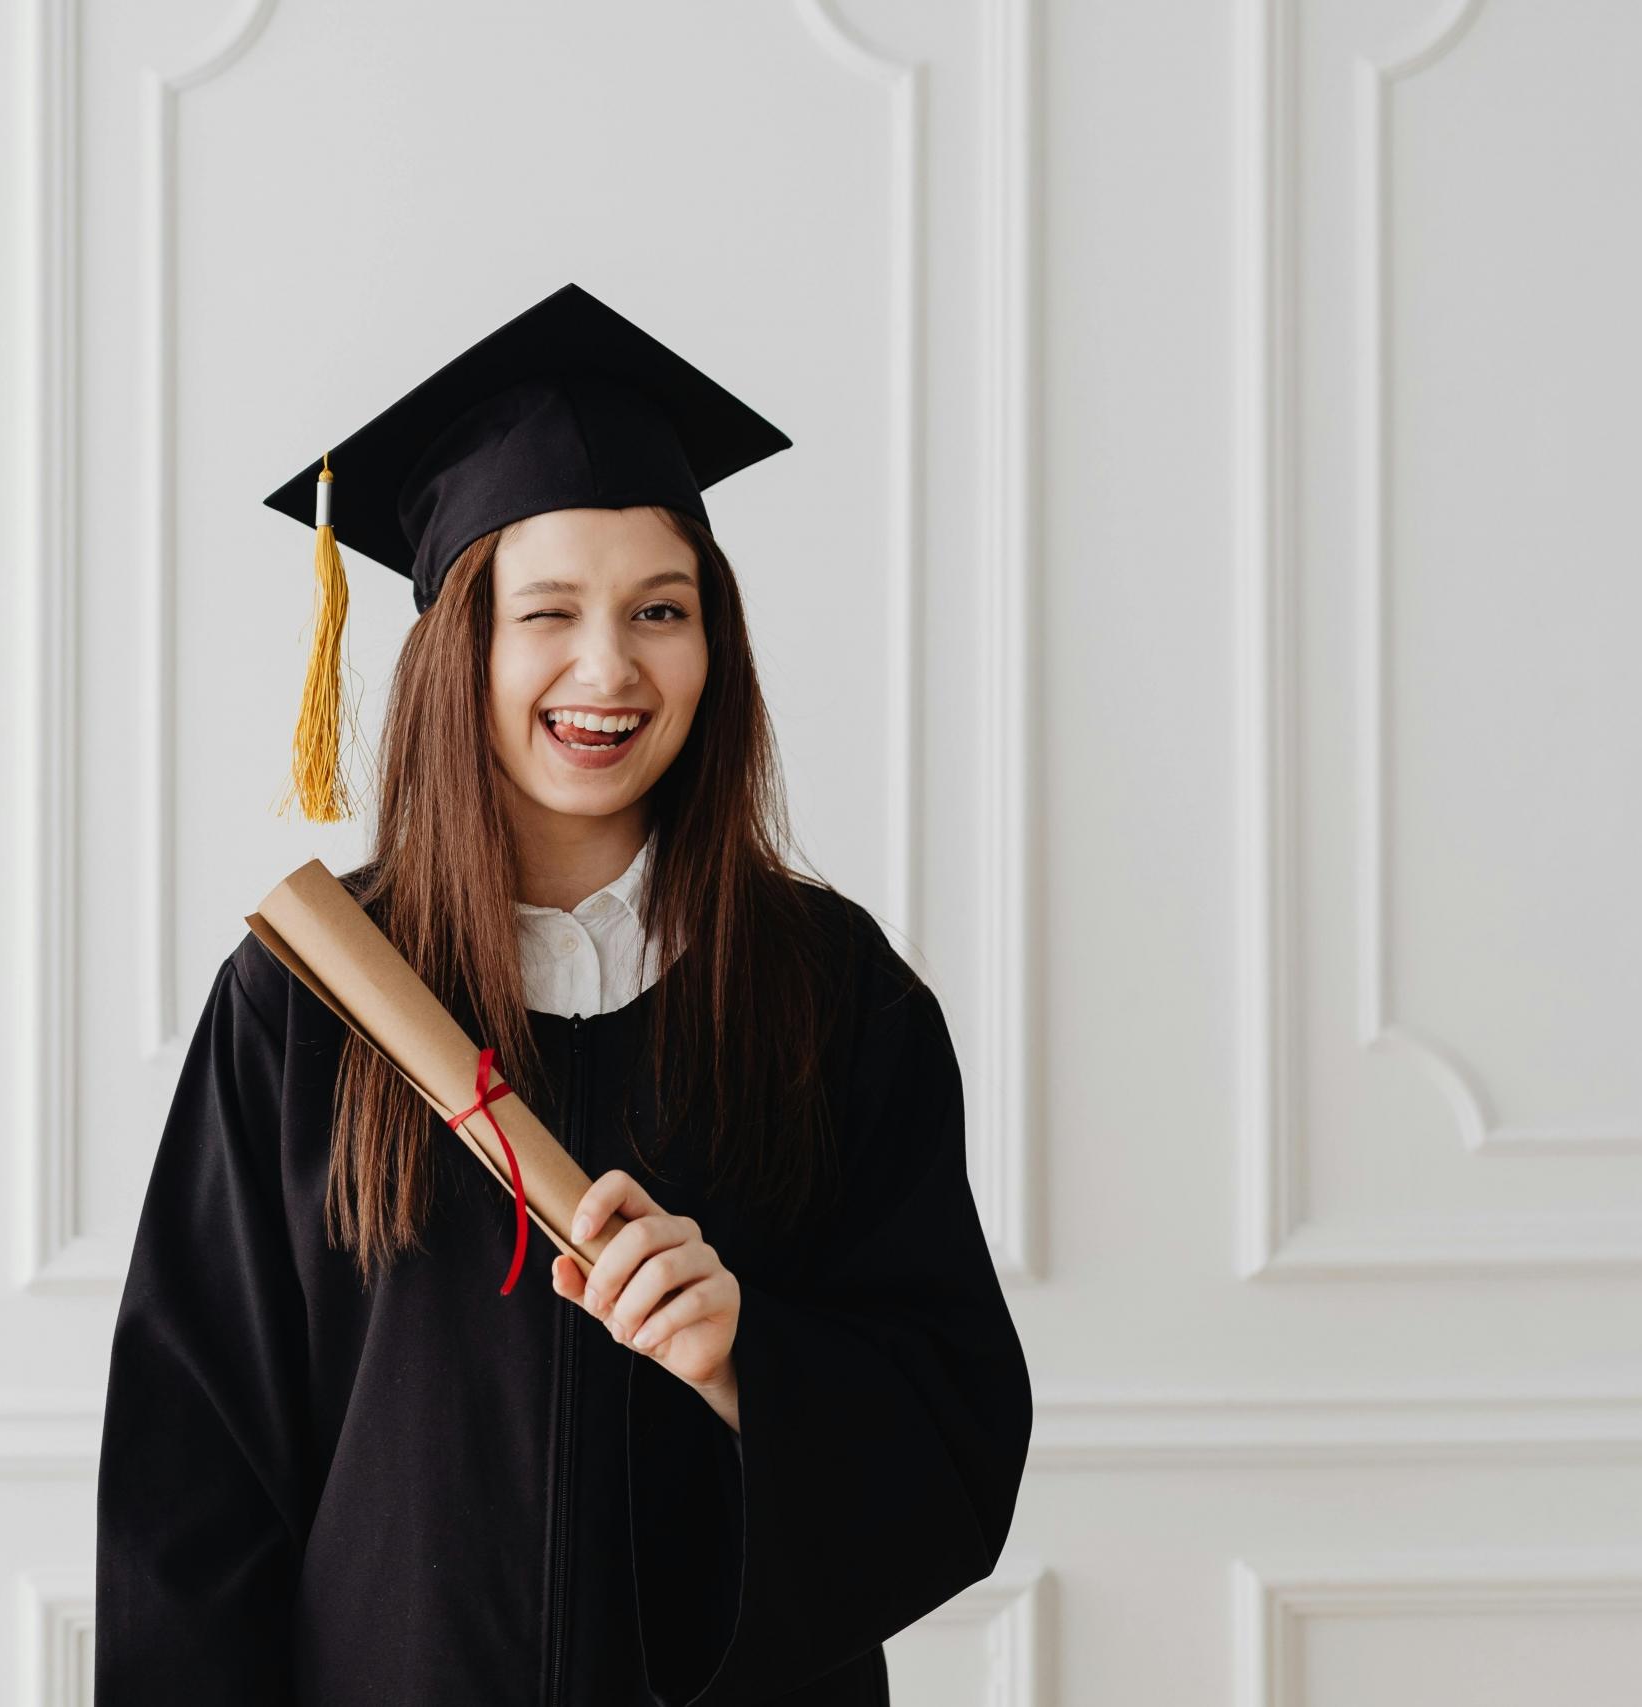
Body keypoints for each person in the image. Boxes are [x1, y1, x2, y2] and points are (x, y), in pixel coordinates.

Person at [93, 281, 1032, 1705]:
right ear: (457, 645)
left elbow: (954, 1443)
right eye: (548, 612)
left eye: (663, 608)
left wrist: (745, 1362)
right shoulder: (309, 1008)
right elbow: (193, 1493)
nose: (610, 666)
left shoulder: (833, 998)